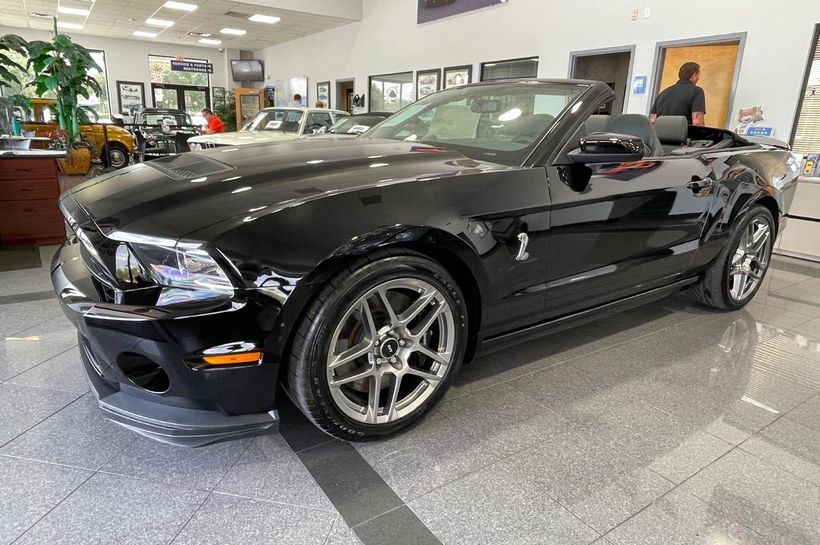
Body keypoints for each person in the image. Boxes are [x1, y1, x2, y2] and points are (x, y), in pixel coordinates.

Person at [650, 62, 706, 126]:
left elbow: (652, 120)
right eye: (698, 74)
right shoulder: (697, 91)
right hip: (684, 135)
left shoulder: (663, 93)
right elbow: (697, 122)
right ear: (694, 75)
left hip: (660, 135)